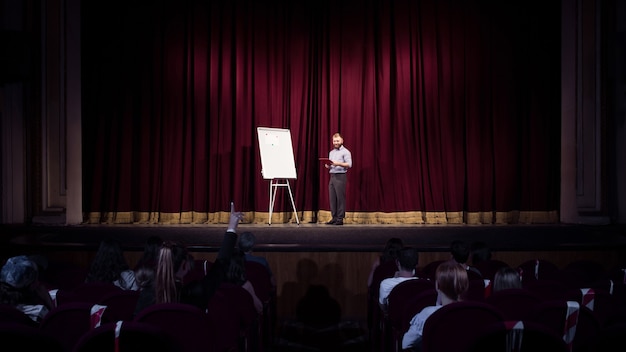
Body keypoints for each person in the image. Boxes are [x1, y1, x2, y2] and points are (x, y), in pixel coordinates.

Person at [401, 260, 469, 351]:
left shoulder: (428, 314)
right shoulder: (474, 314)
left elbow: (406, 343)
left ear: (437, 285)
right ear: (465, 285)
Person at [0, 255, 55, 324]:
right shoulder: (38, 313)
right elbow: (55, 326)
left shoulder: (4, 308)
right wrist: (48, 301)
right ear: (33, 285)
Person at [324, 132, 352, 225]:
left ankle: (340, 219)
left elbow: (349, 164)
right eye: (334, 141)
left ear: (342, 141)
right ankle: (334, 217)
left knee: (340, 198)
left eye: (337, 141)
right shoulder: (331, 152)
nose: (336, 142)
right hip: (332, 176)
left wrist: (338, 163)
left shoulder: (346, 152)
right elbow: (331, 164)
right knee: (332, 198)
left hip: (340, 176)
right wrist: (328, 165)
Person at [225, 248, 264, 315]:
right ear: (242, 265)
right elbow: (259, 308)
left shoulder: (216, 285)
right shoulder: (246, 286)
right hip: (242, 323)